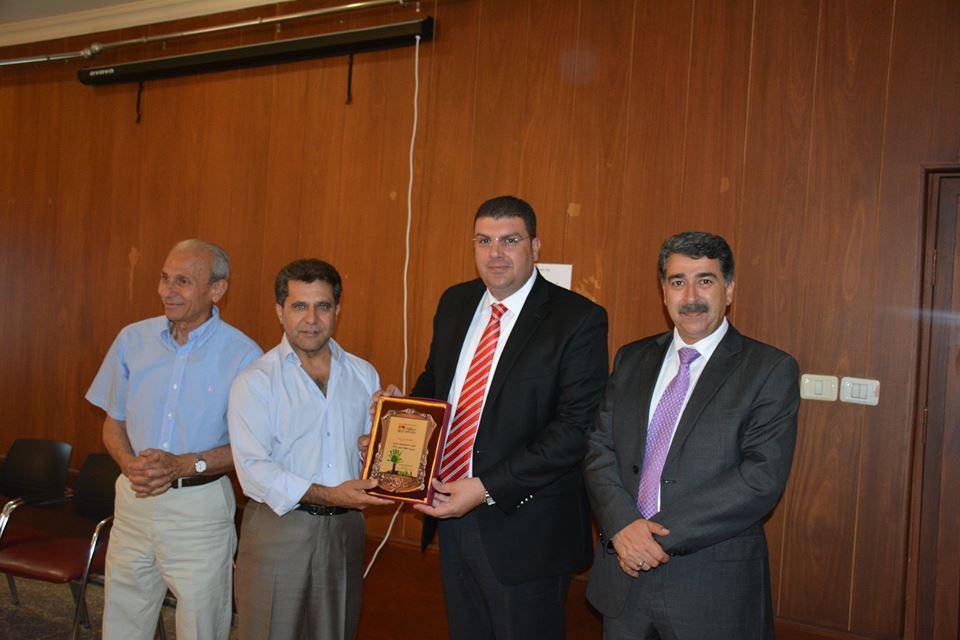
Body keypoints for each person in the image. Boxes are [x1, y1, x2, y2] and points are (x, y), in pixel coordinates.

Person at [402, 195, 609, 639]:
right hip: (449, 512)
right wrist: (399, 426)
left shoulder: (577, 319)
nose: (495, 253)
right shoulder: (455, 302)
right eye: (484, 241)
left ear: (535, 247)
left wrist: (484, 488)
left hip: (527, 531)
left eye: (509, 240)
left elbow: (575, 431)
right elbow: (434, 385)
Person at [583, 231, 800, 640]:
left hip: (711, 587)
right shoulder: (632, 358)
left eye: (706, 280)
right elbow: (599, 449)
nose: (691, 296)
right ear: (664, 292)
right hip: (624, 578)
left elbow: (760, 478)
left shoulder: (769, 369)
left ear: (729, 289)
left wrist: (650, 538)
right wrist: (623, 525)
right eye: (678, 281)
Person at [86, 239, 263, 640]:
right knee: (122, 619)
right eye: (165, 278)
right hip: (133, 498)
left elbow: (251, 448)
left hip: (198, 509)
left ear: (217, 289)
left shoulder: (244, 356)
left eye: (183, 281)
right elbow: (113, 423)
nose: (168, 290)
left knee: (201, 625)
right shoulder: (132, 339)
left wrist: (182, 465)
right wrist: (128, 464)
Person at [228, 259, 391, 640]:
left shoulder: (363, 374)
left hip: (345, 530)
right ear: (279, 311)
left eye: (323, 306)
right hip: (279, 526)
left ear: (337, 310)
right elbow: (254, 471)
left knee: (336, 632)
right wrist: (329, 494)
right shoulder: (256, 381)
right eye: (299, 306)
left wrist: (387, 431)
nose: (311, 319)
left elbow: (369, 458)